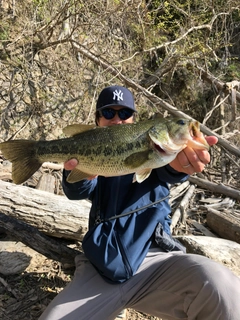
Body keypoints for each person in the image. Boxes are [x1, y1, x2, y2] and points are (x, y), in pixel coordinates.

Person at [39, 85, 240, 320]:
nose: (117, 119)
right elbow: (79, 190)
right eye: (109, 113)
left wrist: (182, 165)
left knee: (223, 289)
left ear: (135, 118)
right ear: (97, 120)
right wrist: (77, 174)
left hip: (157, 261)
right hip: (101, 265)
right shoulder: (91, 151)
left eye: (124, 114)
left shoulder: (158, 155)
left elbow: (171, 171)